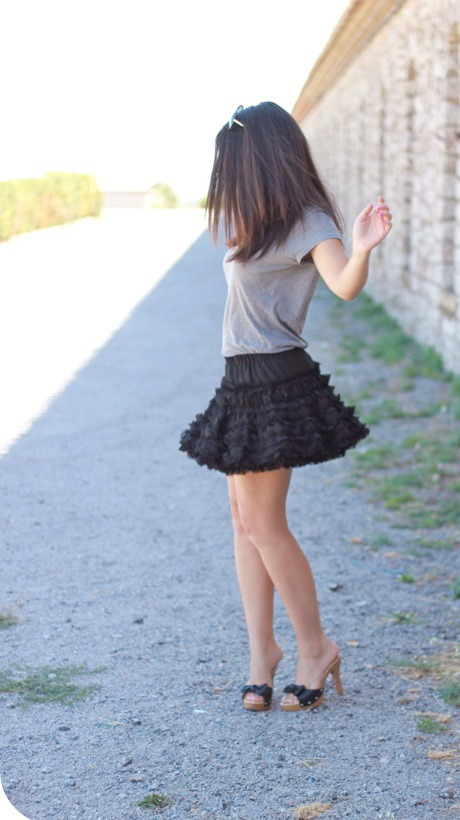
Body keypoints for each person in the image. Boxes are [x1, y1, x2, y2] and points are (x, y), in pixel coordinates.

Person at [180, 102, 393, 712]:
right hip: (241, 379)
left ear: (262, 159)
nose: (228, 181)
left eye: (234, 166)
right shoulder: (261, 223)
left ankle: (315, 647)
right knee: (244, 523)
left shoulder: (307, 220)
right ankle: (262, 655)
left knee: (264, 525)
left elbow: (344, 285)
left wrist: (362, 249)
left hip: (273, 382)